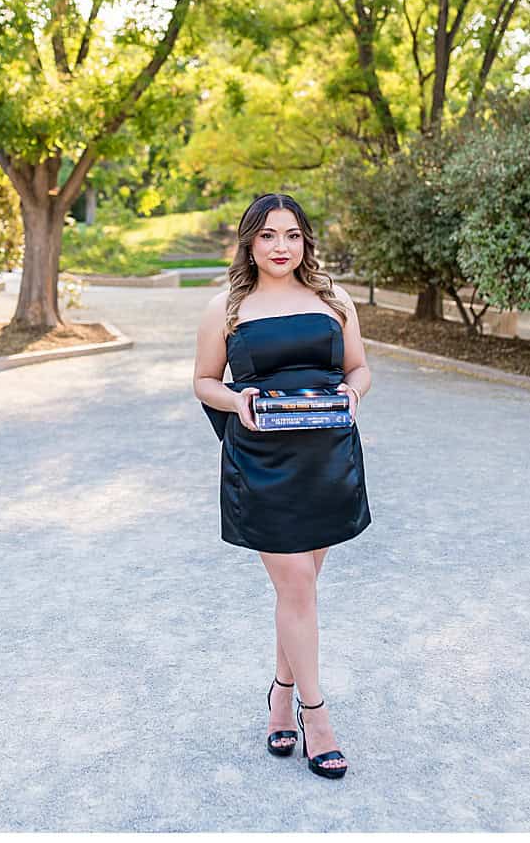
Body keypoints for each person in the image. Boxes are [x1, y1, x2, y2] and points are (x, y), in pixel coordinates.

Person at [192, 193, 371, 780]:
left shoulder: (332, 298)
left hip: (326, 458)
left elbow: (358, 368)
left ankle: (279, 695)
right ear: (249, 242)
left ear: (305, 241)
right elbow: (202, 382)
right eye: (267, 236)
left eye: (291, 235)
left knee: (300, 593)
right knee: (297, 586)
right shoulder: (226, 307)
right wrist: (236, 397)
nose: (280, 247)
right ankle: (316, 717)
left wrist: (354, 392)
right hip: (262, 463)